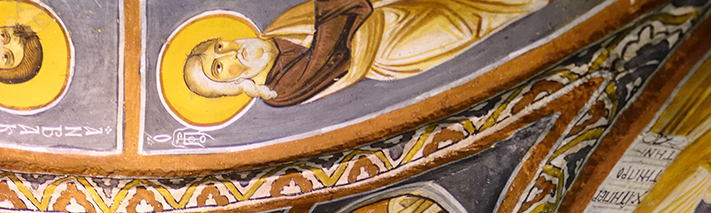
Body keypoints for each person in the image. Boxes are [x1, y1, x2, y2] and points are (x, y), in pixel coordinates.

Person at [181, 0, 547, 108]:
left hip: (384, 12)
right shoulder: (280, 90)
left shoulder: (279, 28)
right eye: (219, 67)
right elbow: (332, 56)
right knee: (468, 21)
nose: (232, 52)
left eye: (219, 46)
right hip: (388, 48)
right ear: (234, 86)